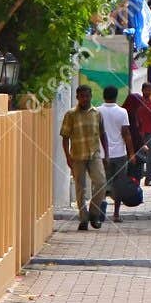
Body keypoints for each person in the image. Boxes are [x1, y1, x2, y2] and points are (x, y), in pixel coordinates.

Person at [60, 84, 107, 232]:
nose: (84, 99)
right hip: (77, 156)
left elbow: (102, 134)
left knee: (101, 183)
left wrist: (107, 153)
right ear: (77, 97)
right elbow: (65, 137)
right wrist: (67, 156)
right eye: (82, 96)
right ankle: (83, 218)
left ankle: (94, 213)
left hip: (94, 154)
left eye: (87, 96)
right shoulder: (70, 115)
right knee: (81, 189)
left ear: (91, 96)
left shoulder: (97, 113)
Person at [95, 85, 134, 224]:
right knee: (119, 184)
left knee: (101, 183)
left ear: (103, 96)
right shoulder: (122, 112)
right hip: (119, 154)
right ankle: (116, 214)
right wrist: (131, 153)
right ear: (116, 96)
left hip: (101, 154)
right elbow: (126, 134)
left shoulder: (97, 111)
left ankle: (101, 207)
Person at [124, 81, 151, 185]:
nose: (148, 91)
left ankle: (149, 178)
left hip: (150, 133)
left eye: (150, 89)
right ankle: (137, 178)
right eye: (146, 89)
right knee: (139, 157)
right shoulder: (137, 102)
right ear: (142, 90)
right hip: (139, 134)